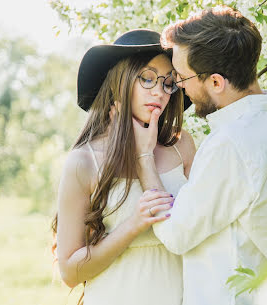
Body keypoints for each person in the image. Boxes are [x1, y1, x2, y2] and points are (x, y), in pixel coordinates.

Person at [133, 7, 267, 305]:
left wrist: (145, 159)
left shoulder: (230, 144)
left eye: (182, 77)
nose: (179, 87)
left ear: (216, 83)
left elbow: (176, 234)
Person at [52, 29, 196, 305]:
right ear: (121, 81)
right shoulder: (85, 161)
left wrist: (145, 156)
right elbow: (69, 271)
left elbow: (198, 233)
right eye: (147, 78)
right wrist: (133, 225)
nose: (159, 91)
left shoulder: (182, 146)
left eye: (168, 82)